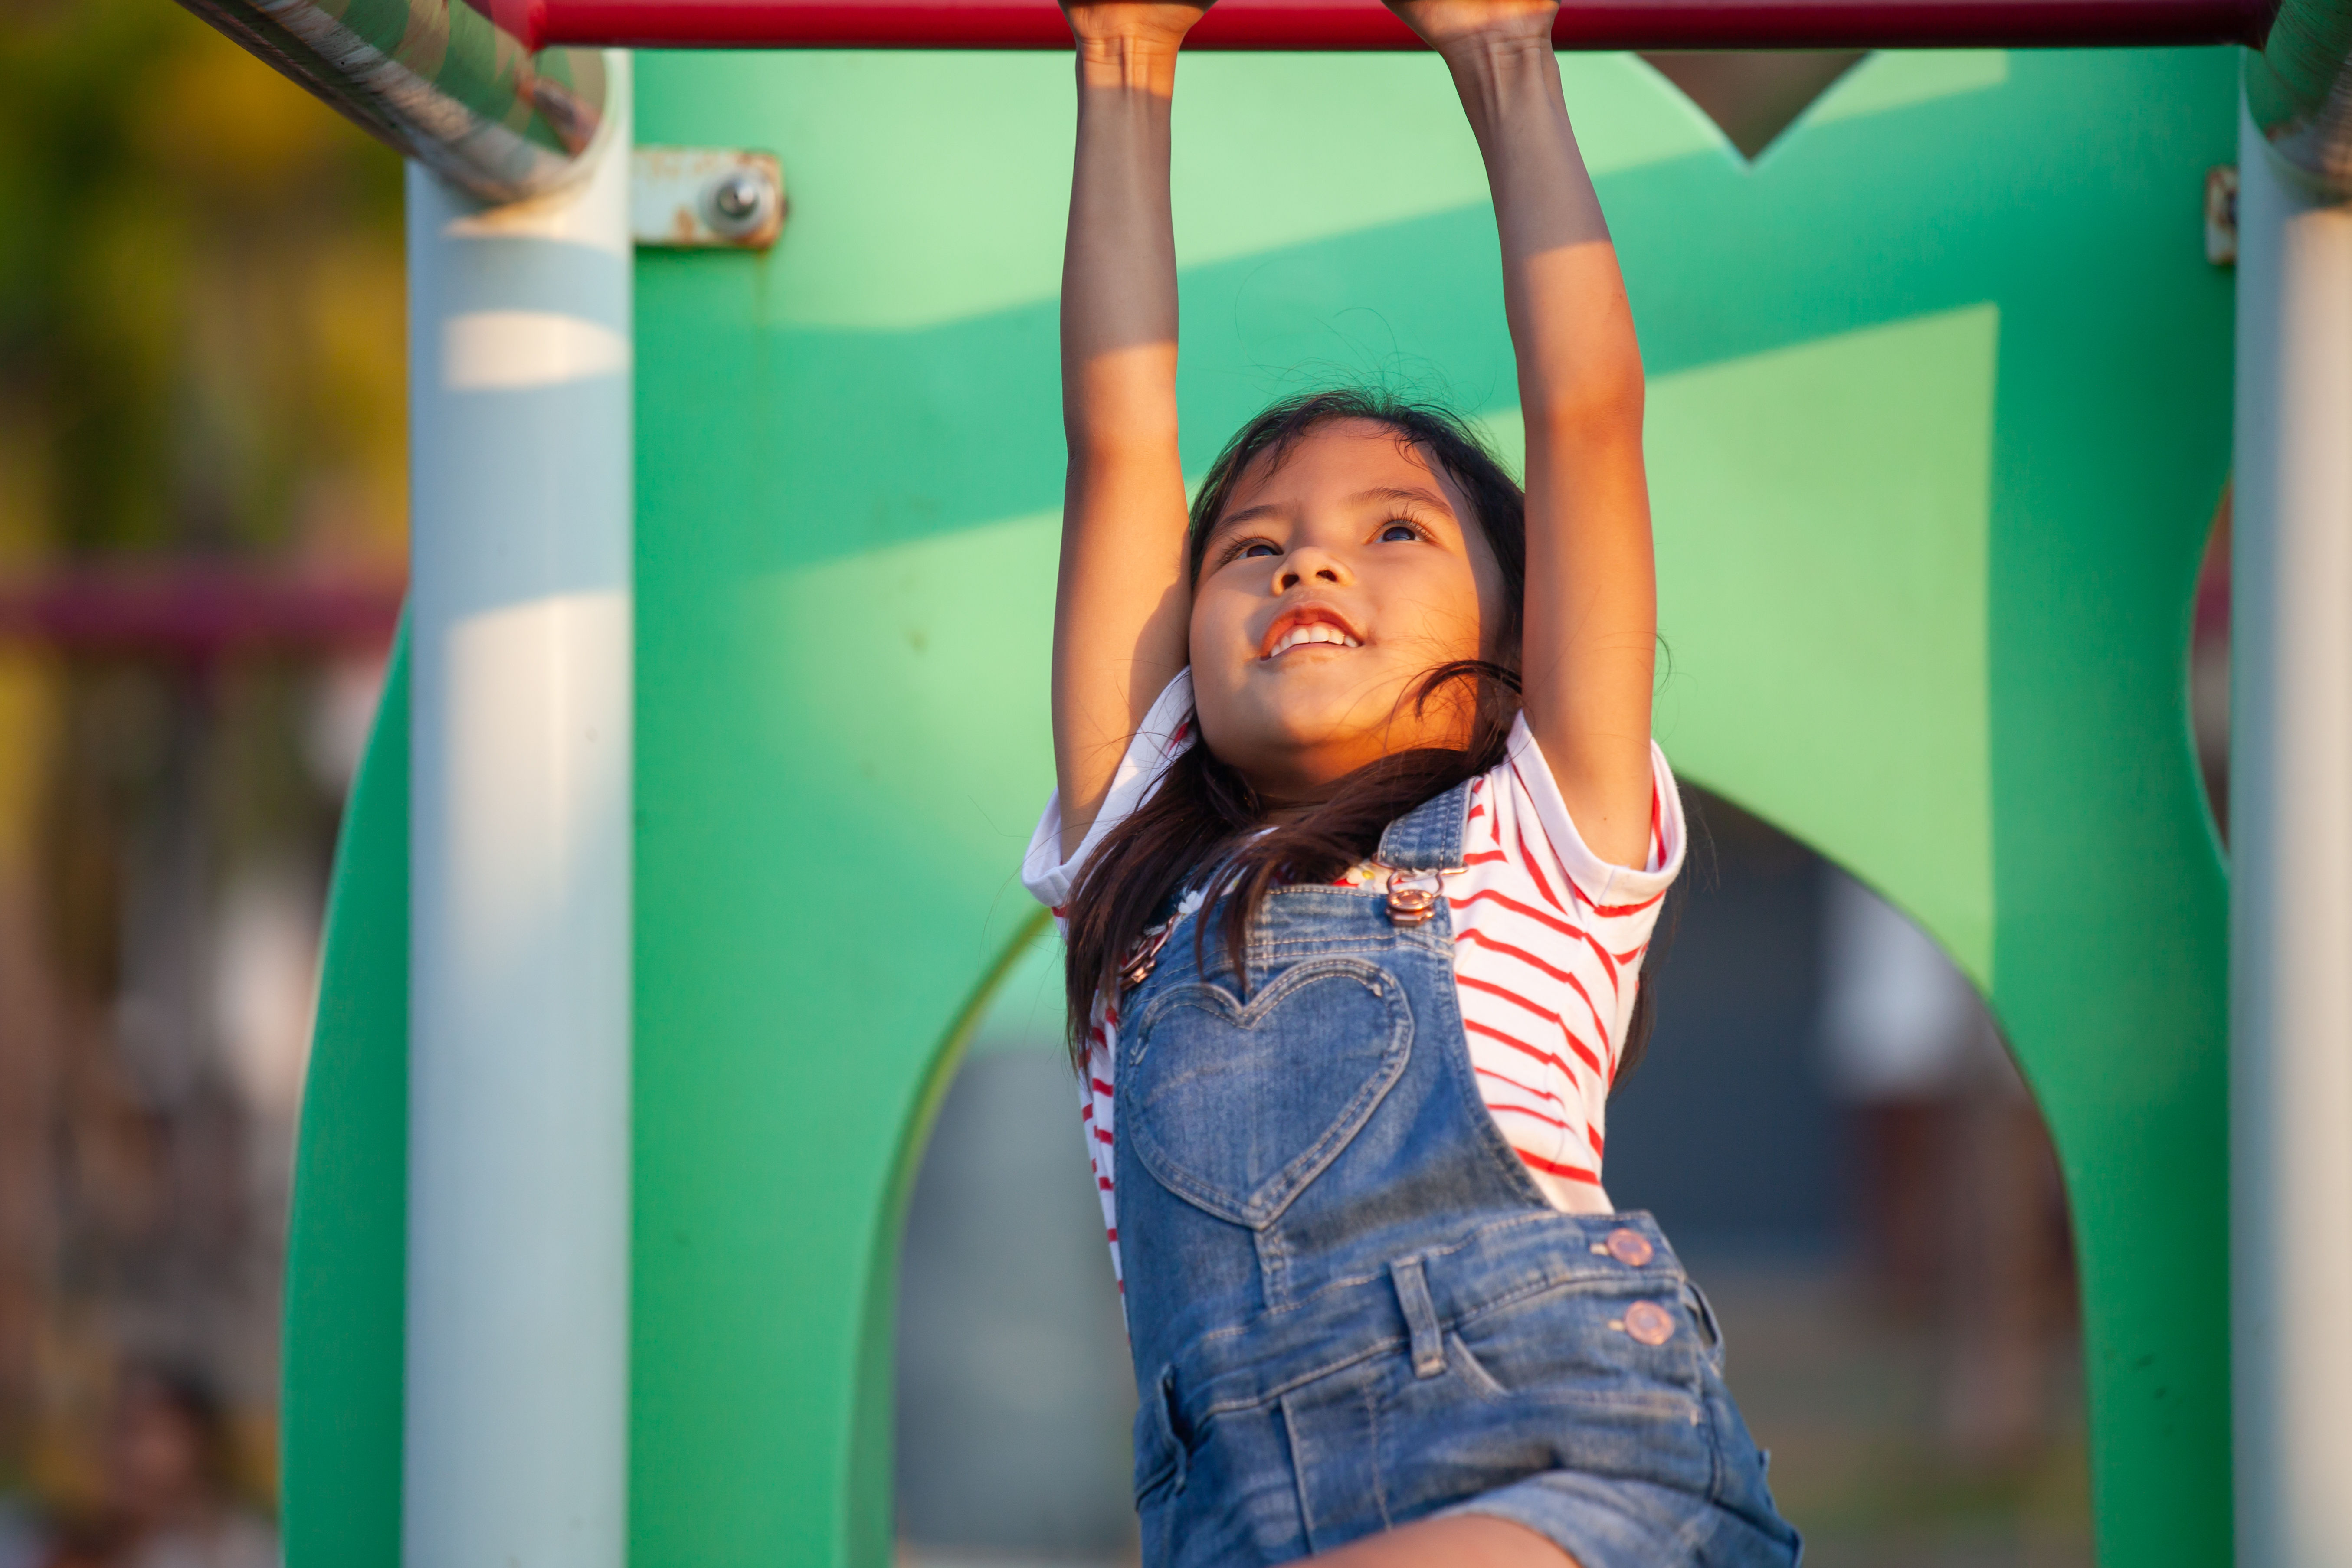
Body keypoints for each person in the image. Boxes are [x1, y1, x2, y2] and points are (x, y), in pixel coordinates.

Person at [1018, 3, 1802, 1564]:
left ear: (1519, 645)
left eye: (1397, 532)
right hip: (1244, 1519)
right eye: (1252, 544)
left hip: (1567, 1470)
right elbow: (1120, 444)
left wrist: (1506, 53)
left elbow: (1589, 417)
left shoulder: (1539, 834)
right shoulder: (1138, 883)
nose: (1306, 552)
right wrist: (1122, 56)